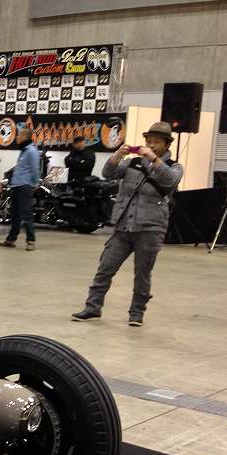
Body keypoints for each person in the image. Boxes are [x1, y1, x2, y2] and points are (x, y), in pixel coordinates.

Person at [72, 121, 183, 327]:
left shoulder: (174, 166)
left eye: (157, 142)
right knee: (105, 267)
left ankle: (137, 312)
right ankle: (93, 307)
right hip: (123, 225)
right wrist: (117, 156)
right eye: (149, 141)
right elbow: (108, 173)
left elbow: (170, 181)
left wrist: (154, 159)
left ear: (167, 144)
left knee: (142, 273)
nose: (151, 145)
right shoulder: (133, 163)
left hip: (151, 228)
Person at [0, 126, 40, 250]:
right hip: (17, 186)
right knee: (15, 214)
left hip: (25, 186)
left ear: (25, 136)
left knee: (26, 213)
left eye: (19, 135)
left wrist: (34, 183)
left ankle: (31, 240)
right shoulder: (24, 151)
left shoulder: (31, 151)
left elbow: (35, 169)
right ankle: (11, 239)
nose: (17, 137)